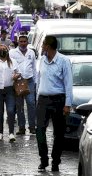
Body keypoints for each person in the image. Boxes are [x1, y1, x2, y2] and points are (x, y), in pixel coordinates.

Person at [36, 36, 73, 172]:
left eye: (43, 44)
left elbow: (68, 84)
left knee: (59, 133)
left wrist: (67, 104)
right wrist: (37, 98)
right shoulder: (42, 60)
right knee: (39, 130)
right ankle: (43, 159)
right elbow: (39, 80)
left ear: (48, 46)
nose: (41, 47)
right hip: (43, 100)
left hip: (58, 100)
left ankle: (55, 161)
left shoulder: (63, 61)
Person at [9, 35, 37, 135]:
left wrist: (36, 81)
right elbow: (9, 66)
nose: (23, 43)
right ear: (18, 42)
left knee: (31, 104)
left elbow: (34, 67)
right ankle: (21, 127)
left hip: (29, 81)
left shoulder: (31, 52)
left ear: (27, 42)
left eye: (25, 41)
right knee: (19, 105)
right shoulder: (12, 53)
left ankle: (32, 126)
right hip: (18, 82)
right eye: (21, 41)